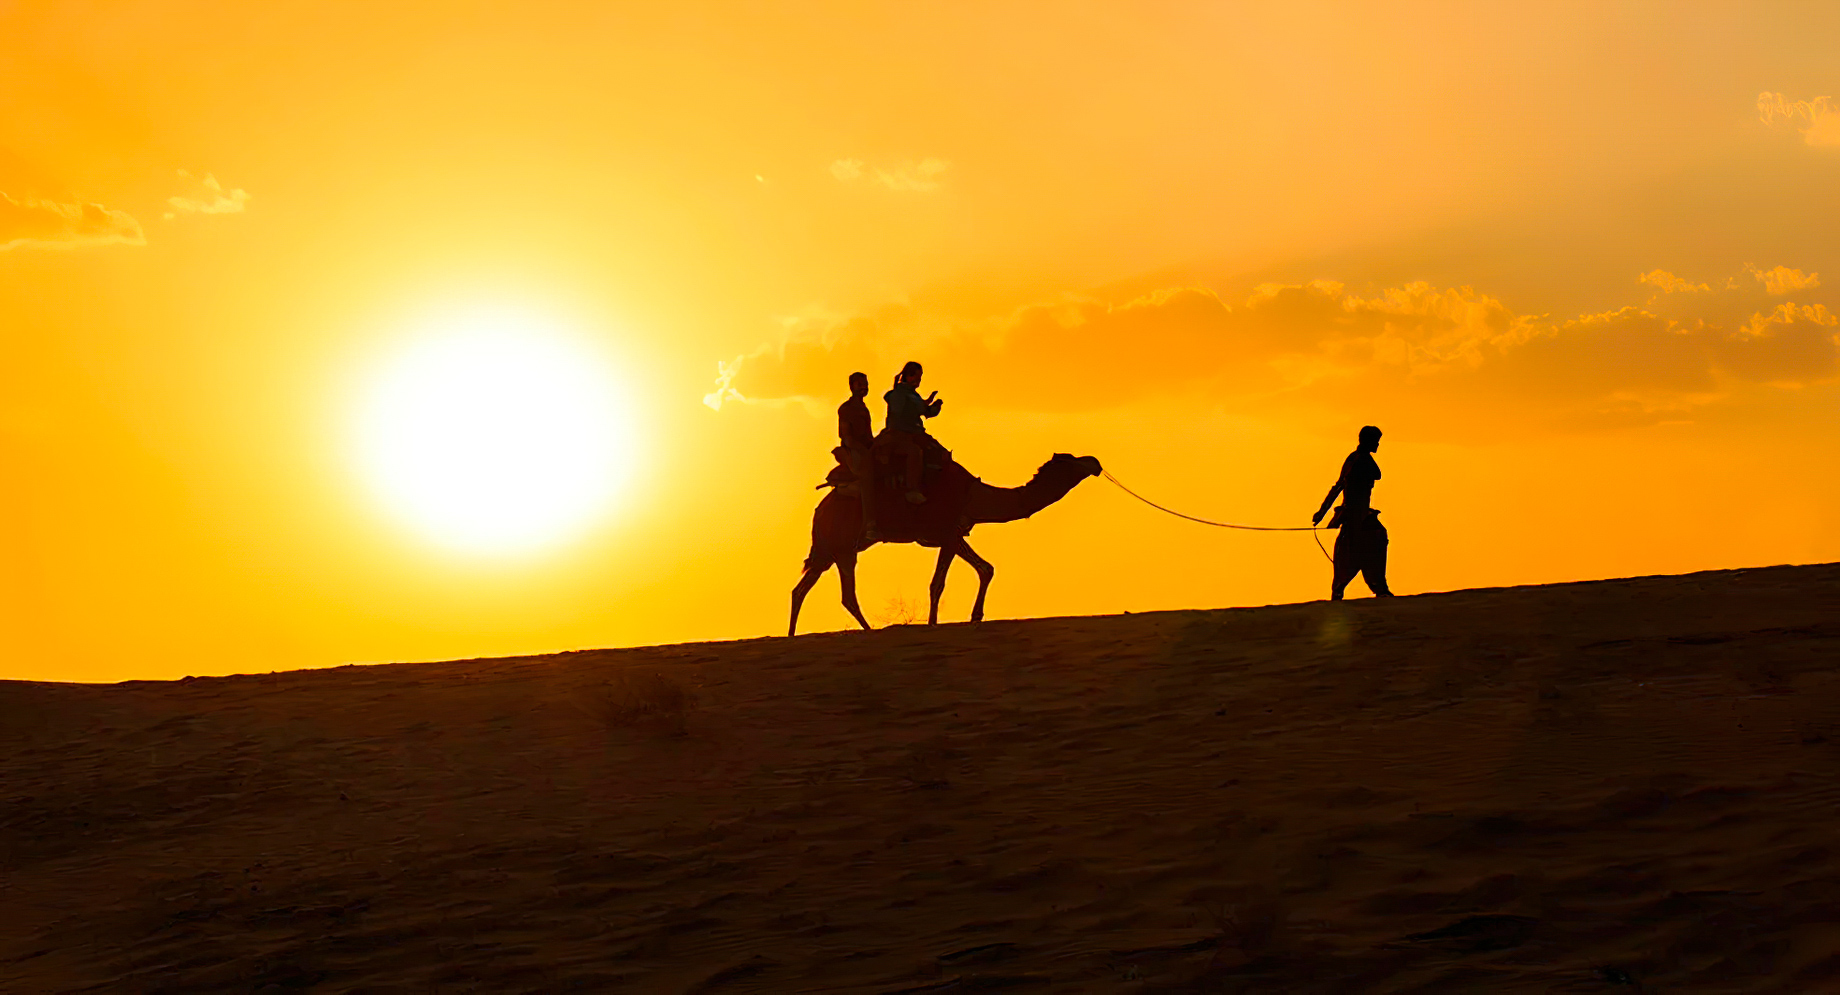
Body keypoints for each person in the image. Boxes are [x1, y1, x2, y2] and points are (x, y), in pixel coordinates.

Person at [1312, 425, 1394, 600]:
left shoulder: (1356, 459)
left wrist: (1322, 512)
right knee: (1355, 553)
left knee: (1372, 542)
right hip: (1356, 517)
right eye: (1376, 441)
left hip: (1359, 515)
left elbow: (1339, 486)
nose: (1378, 445)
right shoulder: (1360, 461)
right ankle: (1377, 589)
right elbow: (1340, 486)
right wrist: (1321, 512)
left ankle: (1378, 587)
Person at [882, 360, 943, 504]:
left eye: (919, 378)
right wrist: (932, 406)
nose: (918, 380)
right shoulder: (903, 394)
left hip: (911, 432)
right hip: (901, 435)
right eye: (915, 377)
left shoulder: (908, 394)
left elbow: (922, 409)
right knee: (915, 452)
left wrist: (931, 404)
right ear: (908, 376)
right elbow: (921, 411)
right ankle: (912, 489)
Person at [837, 371, 879, 540]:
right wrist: (863, 450)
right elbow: (846, 437)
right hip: (853, 451)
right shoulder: (846, 409)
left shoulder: (864, 409)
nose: (864, 387)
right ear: (852, 386)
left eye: (866, 384)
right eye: (860, 384)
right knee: (868, 477)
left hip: (866, 448)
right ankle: (870, 523)